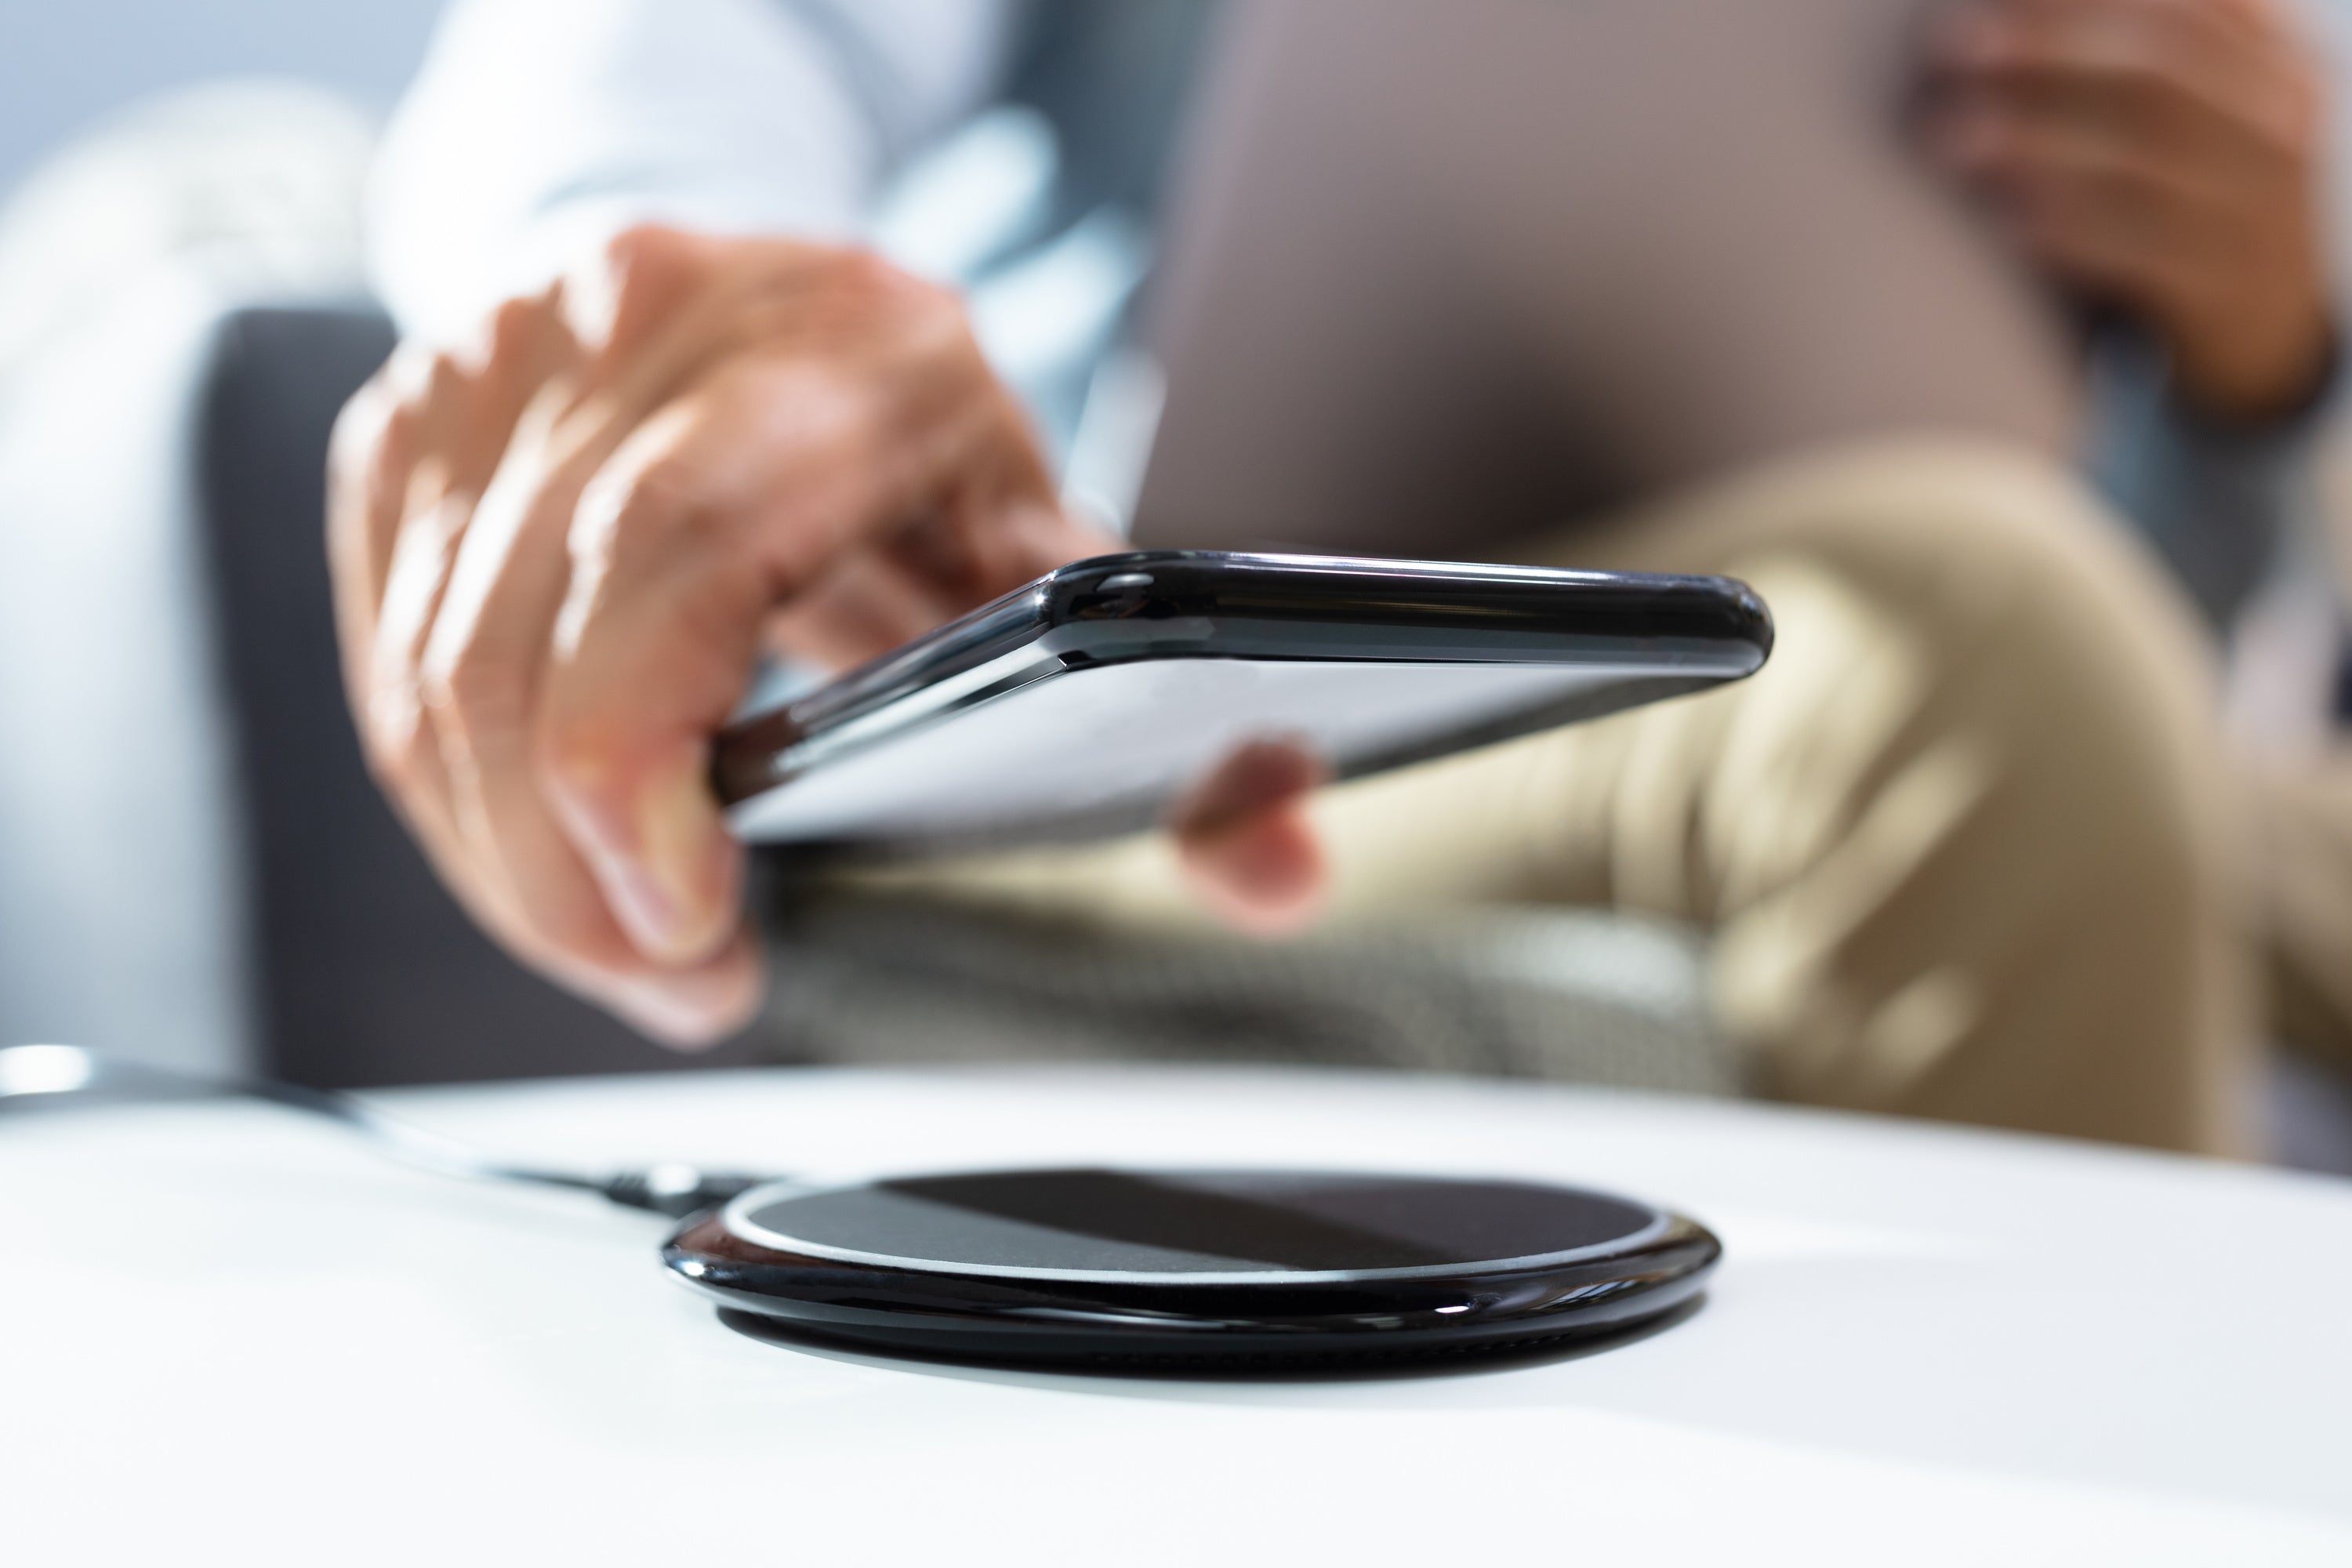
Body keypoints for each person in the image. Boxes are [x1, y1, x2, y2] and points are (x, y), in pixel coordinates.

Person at [331, 0, 2347, 1151]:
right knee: (1995, 656)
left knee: (2037, 643)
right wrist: (697, 301)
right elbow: (656, 53)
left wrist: (2260, 363)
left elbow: (2162, 608)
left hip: (1794, 622)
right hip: (1187, 706)